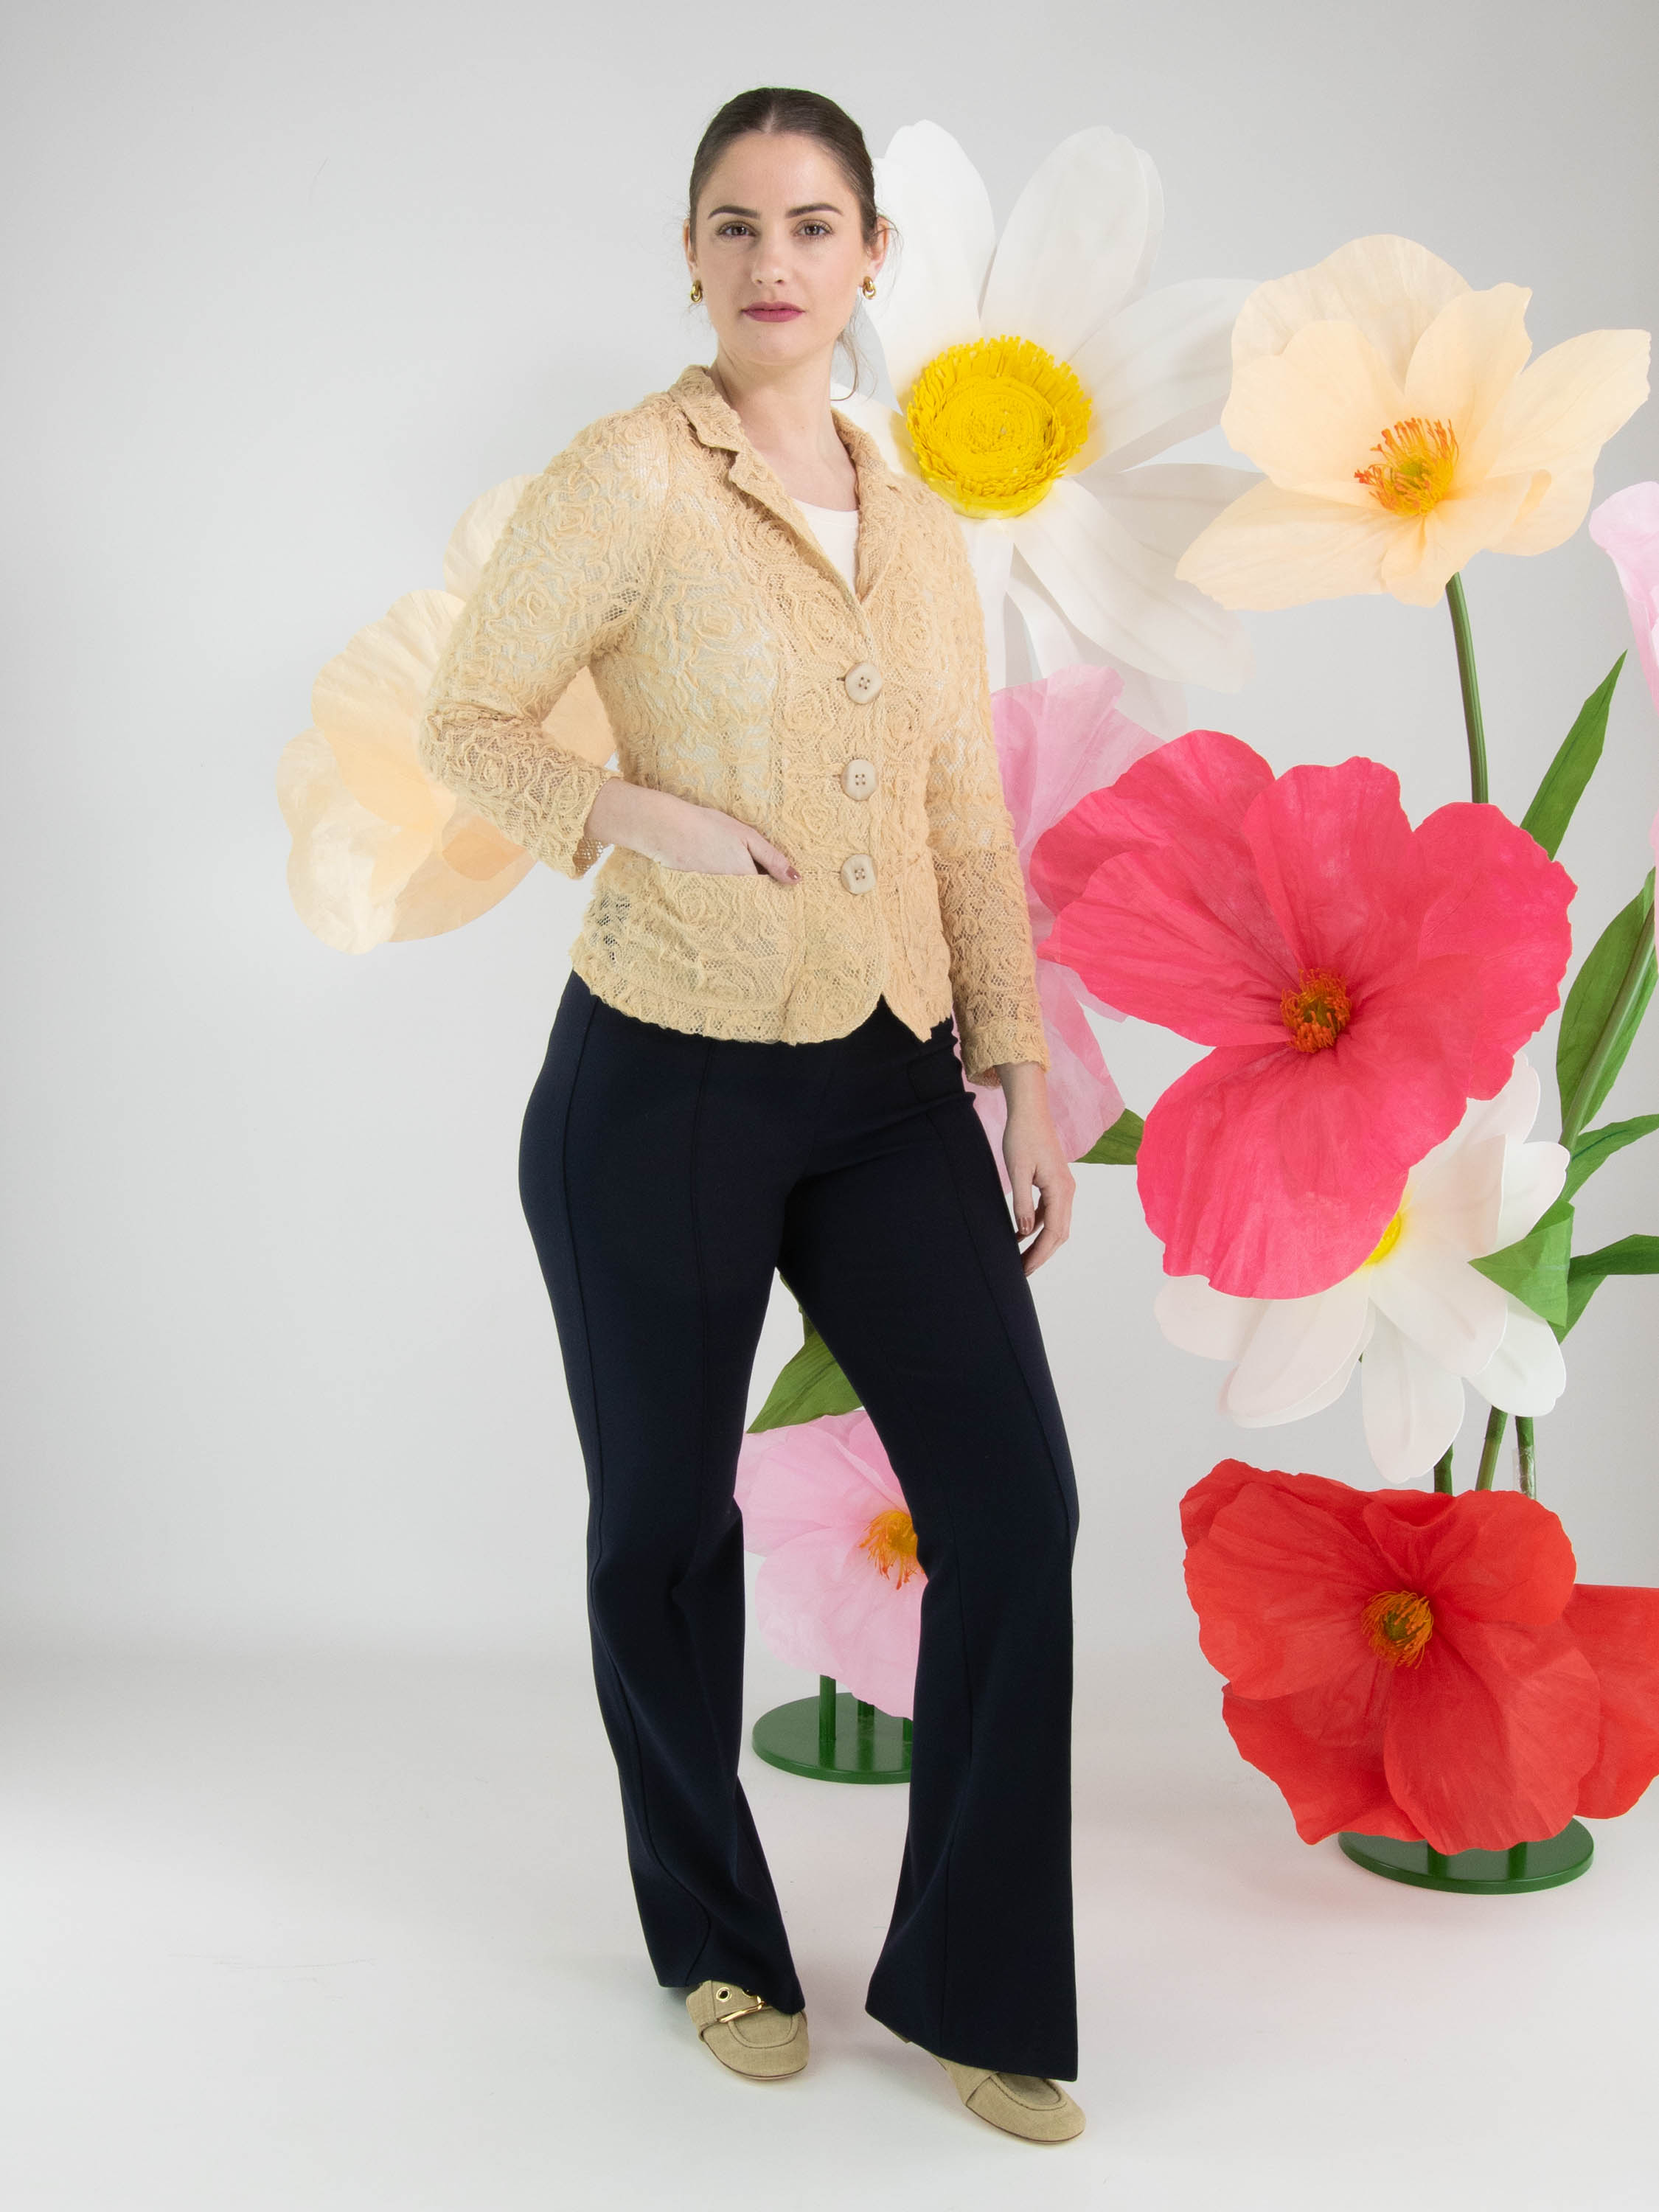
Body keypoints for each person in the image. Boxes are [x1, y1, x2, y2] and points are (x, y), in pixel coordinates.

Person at [417, 85, 1085, 2146]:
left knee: (1014, 1508)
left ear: (871, 255)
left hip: (885, 1074)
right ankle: (716, 1939)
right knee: (664, 1528)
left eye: (810, 225)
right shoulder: (627, 476)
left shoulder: (919, 523)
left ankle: (979, 1988)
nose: (773, 261)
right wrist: (635, 814)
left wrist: (1016, 1066)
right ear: (692, 258)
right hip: (664, 1078)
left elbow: (962, 813)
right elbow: (468, 720)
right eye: (734, 225)